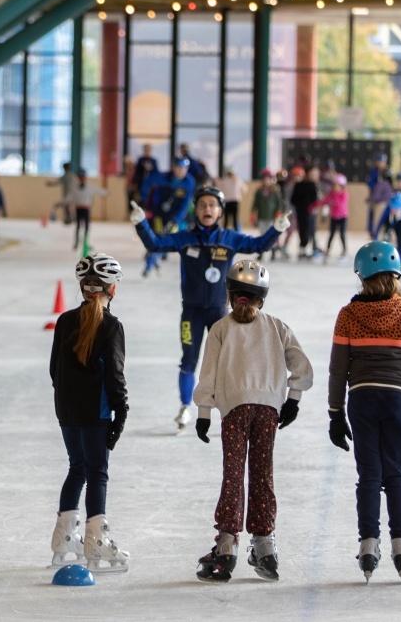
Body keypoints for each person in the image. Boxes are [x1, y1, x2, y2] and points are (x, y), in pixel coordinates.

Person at [130, 185, 287, 431]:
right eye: (202, 205)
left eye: (212, 205)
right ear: (196, 210)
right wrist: (141, 224)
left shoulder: (230, 239)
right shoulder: (185, 238)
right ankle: (184, 407)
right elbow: (155, 244)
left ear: (220, 211)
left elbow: (259, 245)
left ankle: (231, 409)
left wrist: (277, 229)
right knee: (188, 361)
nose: (207, 209)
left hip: (219, 313)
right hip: (190, 312)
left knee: (228, 363)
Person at [192, 261, 313, 583]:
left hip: (234, 410)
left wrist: (203, 412)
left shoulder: (220, 328)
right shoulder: (276, 326)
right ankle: (264, 545)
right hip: (268, 409)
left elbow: (208, 375)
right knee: (262, 473)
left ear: (230, 295)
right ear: (262, 298)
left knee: (233, 474)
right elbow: (302, 366)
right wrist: (293, 399)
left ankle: (228, 545)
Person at [328, 242, 401, 583]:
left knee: (369, 475)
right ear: (396, 275)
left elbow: (338, 370)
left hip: (362, 399)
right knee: (395, 474)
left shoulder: (348, 315)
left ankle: (369, 544)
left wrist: (334, 414)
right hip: (399, 399)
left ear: (362, 276)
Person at [49, 255, 130, 573]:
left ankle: (64, 539)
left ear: (83, 288)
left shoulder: (64, 320)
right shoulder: (111, 325)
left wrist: (66, 402)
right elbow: (115, 374)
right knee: (97, 472)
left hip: (67, 410)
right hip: (95, 413)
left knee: (77, 468)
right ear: (113, 289)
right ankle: (95, 541)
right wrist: (120, 411)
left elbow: (54, 370)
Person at [311, 173, 351, 260]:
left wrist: (334, 197)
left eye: (337, 185)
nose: (335, 187)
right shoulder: (332, 193)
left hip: (343, 217)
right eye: (334, 185)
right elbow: (325, 201)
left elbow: (340, 204)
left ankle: (344, 251)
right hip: (334, 217)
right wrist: (315, 205)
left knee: (342, 234)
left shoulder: (344, 194)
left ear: (342, 185)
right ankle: (328, 250)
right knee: (331, 234)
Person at [66, 171, 108, 251]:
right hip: (79, 208)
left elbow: (98, 191)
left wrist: (106, 192)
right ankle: (76, 242)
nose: (81, 179)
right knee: (78, 226)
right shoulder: (74, 187)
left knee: (87, 227)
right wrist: (64, 203)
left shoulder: (89, 187)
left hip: (86, 208)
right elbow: (70, 197)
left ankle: (85, 243)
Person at [289, 165, 323, 260]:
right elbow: (293, 199)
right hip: (302, 212)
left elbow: (316, 199)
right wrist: (300, 207)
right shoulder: (300, 185)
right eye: (312, 174)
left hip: (310, 212)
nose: (314, 176)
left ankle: (313, 248)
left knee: (311, 230)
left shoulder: (315, 185)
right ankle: (302, 249)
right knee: (304, 230)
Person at [249, 169, 284, 261]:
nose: (266, 181)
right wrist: (253, 214)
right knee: (263, 234)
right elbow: (255, 203)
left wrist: (278, 213)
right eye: (264, 179)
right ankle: (261, 252)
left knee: (272, 234)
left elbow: (279, 203)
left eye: (268, 179)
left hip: (272, 217)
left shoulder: (275, 190)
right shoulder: (259, 191)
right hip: (262, 216)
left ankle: (273, 251)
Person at [377, 193, 401, 264]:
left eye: (396, 210)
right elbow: (380, 222)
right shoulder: (388, 209)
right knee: (386, 239)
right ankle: (385, 257)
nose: (394, 211)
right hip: (390, 222)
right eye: (393, 210)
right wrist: (377, 235)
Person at [366, 157, 396, 239]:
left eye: (382, 162)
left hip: (383, 201)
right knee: (375, 218)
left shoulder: (386, 175)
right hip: (377, 200)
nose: (381, 163)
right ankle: (374, 233)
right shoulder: (374, 172)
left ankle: (383, 233)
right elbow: (371, 185)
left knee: (383, 220)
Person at [129, 144, 159, 211]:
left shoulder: (154, 161)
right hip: (141, 182)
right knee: (139, 197)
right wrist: (134, 181)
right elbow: (137, 171)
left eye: (148, 150)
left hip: (151, 182)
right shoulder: (141, 160)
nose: (147, 151)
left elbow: (156, 172)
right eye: (146, 150)